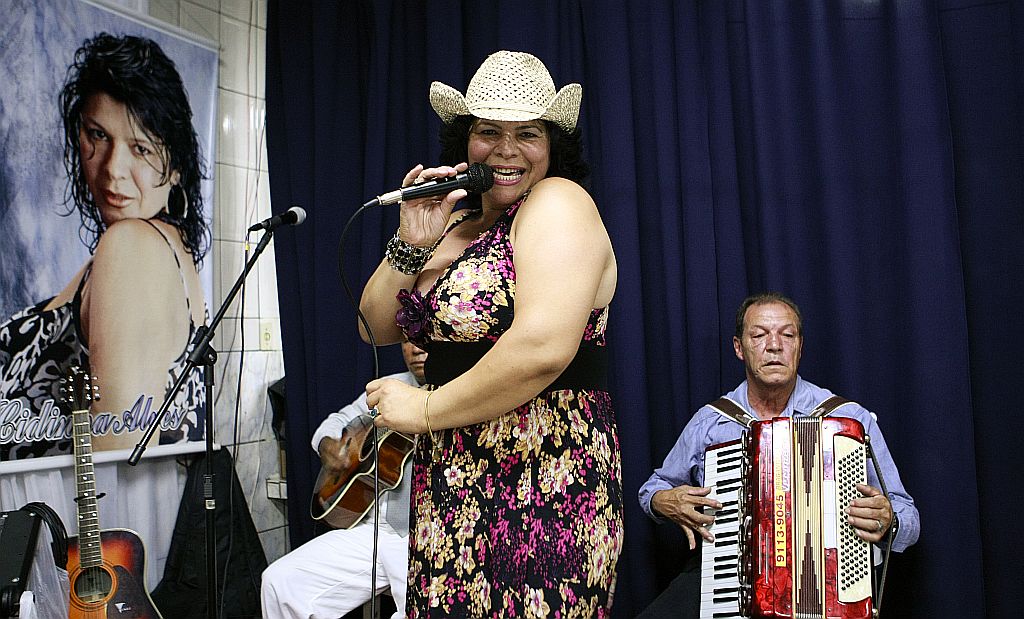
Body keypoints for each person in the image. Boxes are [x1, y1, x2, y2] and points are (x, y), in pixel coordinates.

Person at [358, 51, 622, 617]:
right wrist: (412, 242)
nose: (506, 149)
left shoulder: (558, 201)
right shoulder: (456, 220)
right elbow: (373, 326)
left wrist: (425, 410)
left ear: (552, 146)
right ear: (465, 141)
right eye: (488, 132)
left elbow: (542, 349)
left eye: (527, 133)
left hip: (544, 482)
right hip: (450, 483)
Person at [637, 292, 920, 618]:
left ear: (800, 346)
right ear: (739, 348)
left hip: (828, 592)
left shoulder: (847, 420)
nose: (774, 345)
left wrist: (888, 521)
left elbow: (908, 517)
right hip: (732, 583)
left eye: (787, 335)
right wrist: (663, 501)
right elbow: (652, 489)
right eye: (759, 335)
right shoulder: (712, 422)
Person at [0, 32, 208, 458]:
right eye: (98, 134)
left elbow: (117, 459)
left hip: (77, 502)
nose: (113, 168)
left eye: (140, 148)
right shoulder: (157, 247)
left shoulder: (132, 248)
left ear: (175, 167)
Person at [261, 340, 427, 619]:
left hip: (421, 533)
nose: (416, 349)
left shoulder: (457, 394)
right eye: (408, 340)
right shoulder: (390, 387)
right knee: (279, 583)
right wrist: (327, 445)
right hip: (371, 530)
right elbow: (338, 421)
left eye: (424, 339)